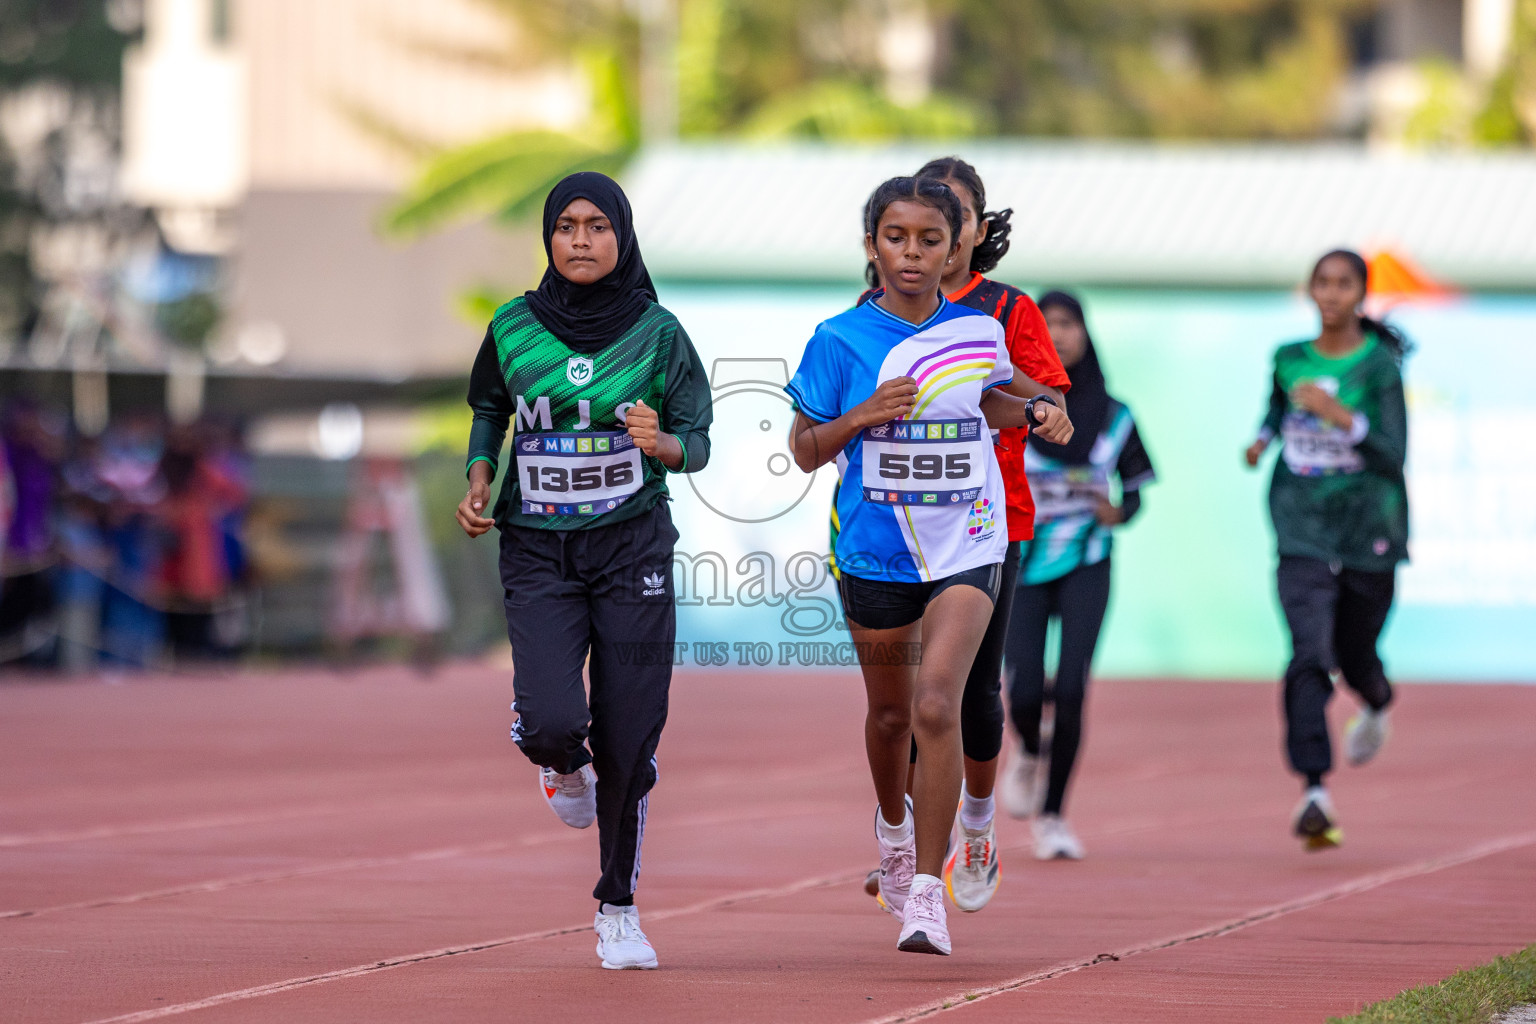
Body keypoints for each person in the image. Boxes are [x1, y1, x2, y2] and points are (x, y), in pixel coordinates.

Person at [787, 176, 1072, 956]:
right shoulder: (838, 340)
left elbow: (997, 400)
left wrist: (1042, 410)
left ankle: (925, 895)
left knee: (939, 705)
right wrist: (861, 417)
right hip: (875, 550)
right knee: (890, 716)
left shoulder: (979, 331)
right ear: (872, 244)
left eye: (929, 240)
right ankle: (892, 828)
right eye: (895, 238)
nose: (911, 254)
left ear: (957, 248)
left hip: (969, 540)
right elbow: (806, 450)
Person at [456, 172, 712, 969]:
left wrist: (659, 442)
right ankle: (559, 759)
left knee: (630, 736)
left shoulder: (659, 334)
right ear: (547, 237)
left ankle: (619, 910)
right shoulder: (511, 327)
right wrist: (477, 478)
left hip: (631, 545)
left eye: (597, 225)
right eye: (566, 225)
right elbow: (491, 411)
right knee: (557, 722)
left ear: (622, 237)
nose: (579, 239)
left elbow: (697, 438)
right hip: (537, 549)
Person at [1243, 249, 1409, 851]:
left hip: (1369, 524)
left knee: (1355, 651)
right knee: (1309, 650)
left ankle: (1377, 698)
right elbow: (1274, 412)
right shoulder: (1289, 359)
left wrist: (1342, 417)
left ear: (1362, 295)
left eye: (1344, 285)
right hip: (1301, 524)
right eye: (1323, 284)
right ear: (1311, 292)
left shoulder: (1380, 368)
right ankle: (1314, 788)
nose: (1332, 295)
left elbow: (1394, 454)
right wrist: (1261, 442)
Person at [999, 291, 1155, 860]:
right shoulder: (1007, 407)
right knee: (1020, 688)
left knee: (1070, 687)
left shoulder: (1116, 415)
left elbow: (1136, 486)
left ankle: (1054, 816)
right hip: (1023, 563)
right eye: (1048, 325)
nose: (1060, 335)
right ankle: (1030, 749)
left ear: (1086, 334)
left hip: (1088, 562)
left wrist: (1122, 512)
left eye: (1069, 324)